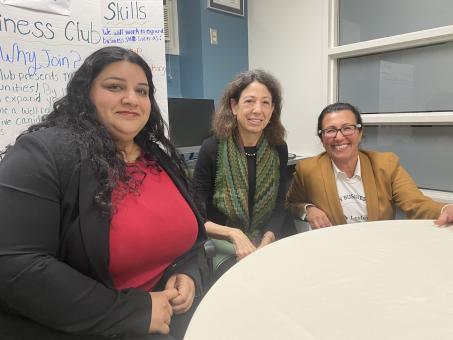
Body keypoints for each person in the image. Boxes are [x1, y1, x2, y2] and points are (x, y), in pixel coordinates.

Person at [0, 46, 212, 340]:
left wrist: (189, 273)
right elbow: (16, 267)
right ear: (85, 94)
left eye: (142, 91)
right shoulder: (43, 154)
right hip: (91, 327)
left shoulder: (157, 156)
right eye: (114, 87)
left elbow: (193, 237)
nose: (131, 99)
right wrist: (133, 311)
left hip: (169, 315)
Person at [286, 102, 453, 229]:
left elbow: (416, 203)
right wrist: (308, 210)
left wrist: (445, 209)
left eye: (347, 128)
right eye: (330, 131)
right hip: (334, 249)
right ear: (322, 139)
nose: (339, 137)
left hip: (378, 248)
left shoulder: (386, 165)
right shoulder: (307, 169)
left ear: (360, 133)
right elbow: (291, 203)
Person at [192, 69, 288, 276]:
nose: (257, 110)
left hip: (265, 238)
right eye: (249, 101)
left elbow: (280, 205)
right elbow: (195, 215)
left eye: (265, 103)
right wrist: (233, 234)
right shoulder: (212, 148)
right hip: (222, 240)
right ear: (234, 106)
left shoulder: (278, 148)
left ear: (272, 110)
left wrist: (267, 240)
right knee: (246, 279)